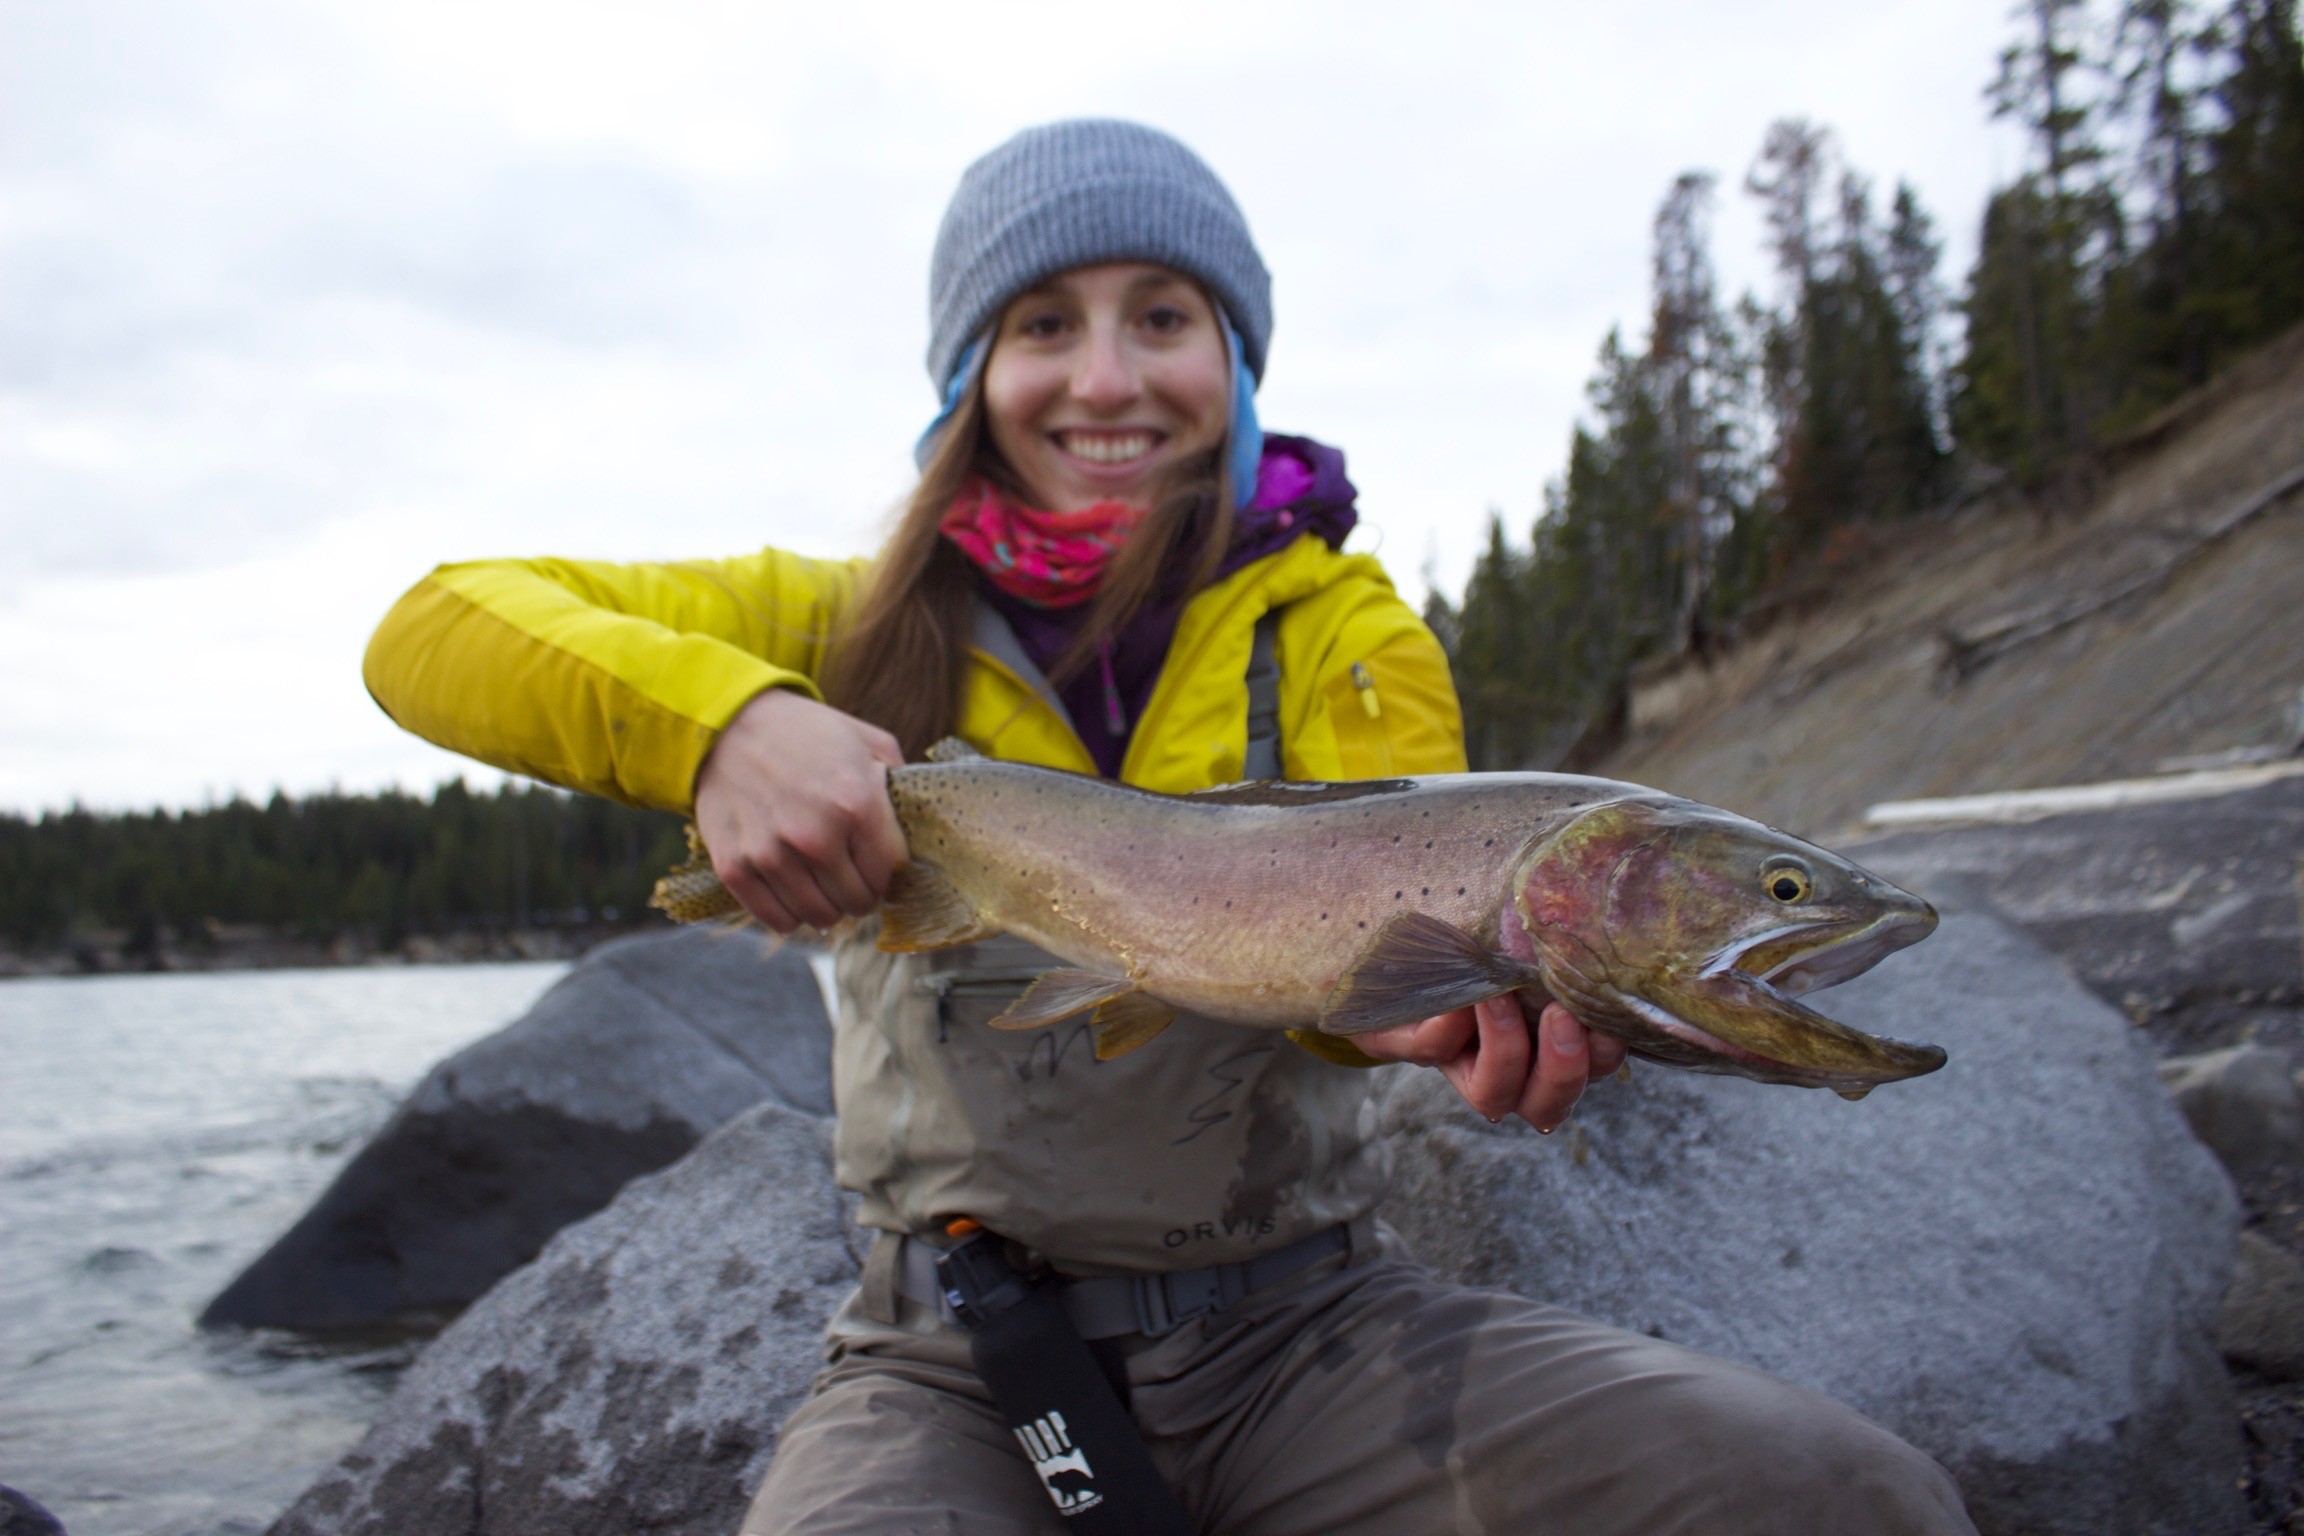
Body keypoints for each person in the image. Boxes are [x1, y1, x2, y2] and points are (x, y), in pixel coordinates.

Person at [364, 119, 1975, 1535]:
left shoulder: (1348, 637)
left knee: (1848, 1500)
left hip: (1312, 1336)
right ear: (970, 376)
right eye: (1044, 324)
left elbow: (1372, 1028)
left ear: (1238, 356)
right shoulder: (836, 619)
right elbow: (434, 628)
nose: (1110, 377)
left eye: (1165, 318)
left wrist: (1425, 1034)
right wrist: (729, 724)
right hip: (948, 1362)